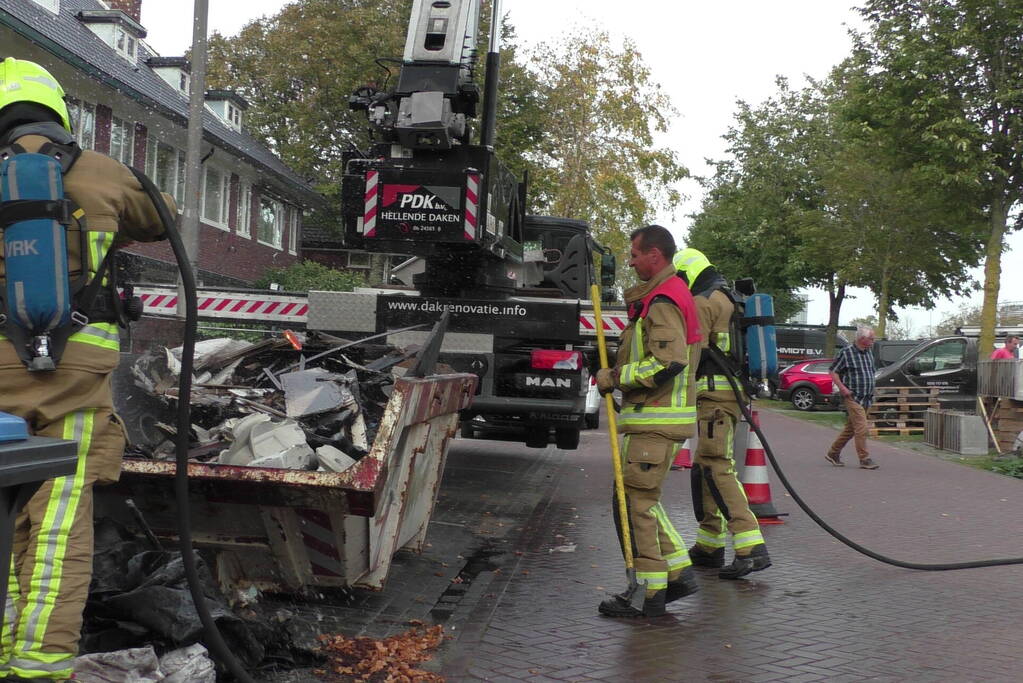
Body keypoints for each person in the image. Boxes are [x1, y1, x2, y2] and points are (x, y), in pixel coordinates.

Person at [0, 57, 172, 681]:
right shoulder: (99, 174)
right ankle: (39, 667)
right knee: (55, 529)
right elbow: (162, 218)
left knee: (1, 518)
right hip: (71, 382)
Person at [595, 225, 702, 618]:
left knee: (637, 504)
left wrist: (614, 378)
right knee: (641, 502)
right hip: (653, 420)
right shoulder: (664, 296)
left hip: (655, 420)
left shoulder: (663, 300)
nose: (632, 260)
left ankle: (652, 594)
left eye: (636, 254)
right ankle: (670, 577)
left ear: (655, 255)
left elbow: (668, 362)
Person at [673, 248, 770, 579]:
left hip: (714, 396)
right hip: (725, 394)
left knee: (716, 467)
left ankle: (750, 548)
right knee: (704, 466)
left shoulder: (703, 301)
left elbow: (689, 355)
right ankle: (709, 545)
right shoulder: (728, 296)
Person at [826, 326, 879, 470]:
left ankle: (833, 453)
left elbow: (870, 372)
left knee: (850, 429)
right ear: (862, 339)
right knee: (862, 428)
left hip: (867, 397)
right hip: (853, 396)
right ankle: (865, 459)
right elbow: (833, 371)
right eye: (871, 339)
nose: (873, 341)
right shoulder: (846, 352)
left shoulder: (869, 353)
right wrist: (843, 388)